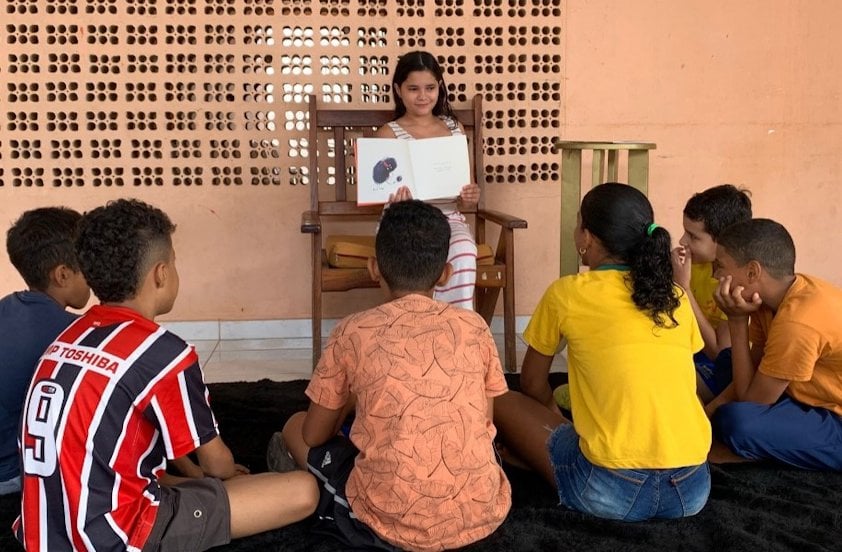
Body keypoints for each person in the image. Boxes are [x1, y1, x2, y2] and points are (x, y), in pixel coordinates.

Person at [14, 199, 317, 551]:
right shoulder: (163, 353)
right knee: (301, 490)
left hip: (42, 533)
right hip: (115, 536)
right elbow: (217, 465)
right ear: (160, 273)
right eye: (174, 263)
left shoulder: (66, 337)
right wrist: (226, 476)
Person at [278, 199, 511, 551]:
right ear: (445, 273)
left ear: (374, 268)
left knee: (295, 426)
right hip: (480, 513)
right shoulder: (474, 327)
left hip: (388, 518)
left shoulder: (352, 331)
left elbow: (315, 433)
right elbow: (482, 423)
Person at [494, 183, 711, 522]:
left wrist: (558, 423)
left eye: (578, 224)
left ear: (587, 238)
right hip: (691, 489)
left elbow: (533, 382)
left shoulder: (566, 293)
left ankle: (541, 456)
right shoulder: (675, 297)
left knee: (501, 398)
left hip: (609, 490)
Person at [706, 218, 842, 471]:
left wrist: (736, 322)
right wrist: (709, 411)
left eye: (720, 266)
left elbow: (752, 402)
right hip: (802, 393)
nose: (716, 276)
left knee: (737, 422)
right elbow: (755, 370)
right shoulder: (772, 300)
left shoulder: (799, 322)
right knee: (729, 362)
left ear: (752, 272)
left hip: (836, 419)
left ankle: (771, 450)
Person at [374, 50, 481, 310]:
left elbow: (465, 191)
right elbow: (379, 192)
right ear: (399, 90)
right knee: (408, 260)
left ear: (439, 88)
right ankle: (415, 327)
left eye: (430, 87)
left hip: (447, 218)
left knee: (465, 251)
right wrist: (396, 203)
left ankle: (456, 326)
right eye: (413, 89)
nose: (423, 96)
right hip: (403, 222)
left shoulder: (454, 129)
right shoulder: (388, 134)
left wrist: (470, 195)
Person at [0, 207, 90, 496]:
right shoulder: (74, 333)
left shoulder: (6, 306)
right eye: (88, 266)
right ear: (63, 274)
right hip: (14, 474)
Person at [671, 184, 752, 401]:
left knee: (670, 373)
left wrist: (684, 289)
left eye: (693, 237)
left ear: (725, 241)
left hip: (720, 373)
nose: (682, 242)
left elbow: (720, 353)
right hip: (689, 353)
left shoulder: (739, 284)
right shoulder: (692, 266)